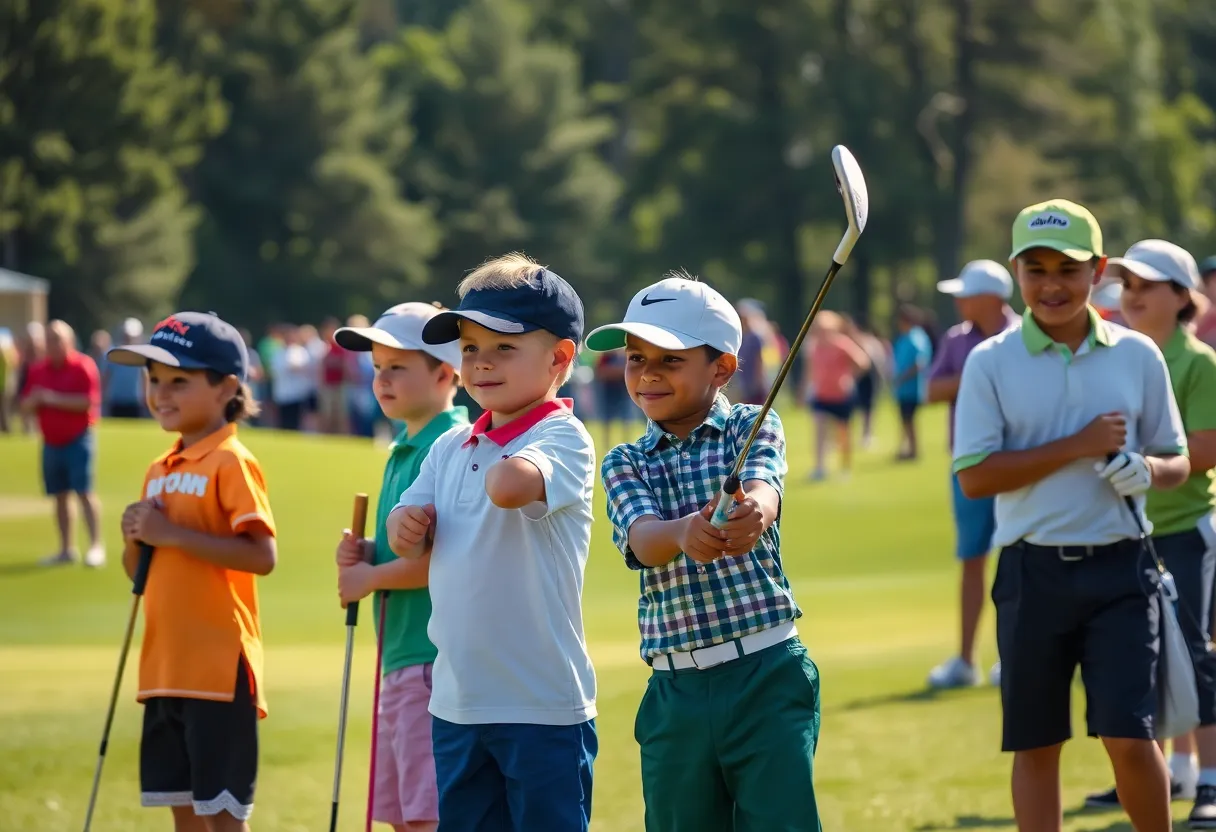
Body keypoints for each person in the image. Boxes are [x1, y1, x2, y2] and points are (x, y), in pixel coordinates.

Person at [953, 199, 1191, 832]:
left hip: (1121, 571)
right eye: (1036, 269)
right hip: (1033, 574)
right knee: (1035, 745)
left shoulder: (1138, 355)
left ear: (1100, 271)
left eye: (1069, 268)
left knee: (1131, 738)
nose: (1052, 284)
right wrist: (1077, 446)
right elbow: (974, 476)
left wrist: (1148, 469)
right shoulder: (991, 362)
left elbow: (1176, 460)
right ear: (1015, 272)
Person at [589, 273, 822, 832]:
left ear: (720, 368)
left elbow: (766, 490)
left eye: (669, 359)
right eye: (635, 358)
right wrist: (683, 534)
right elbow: (642, 540)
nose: (646, 374)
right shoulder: (625, 460)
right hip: (677, 691)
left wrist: (752, 516)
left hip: (767, 672)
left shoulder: (751, 426)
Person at [385, 254, 597, 832]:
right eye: (471, 348)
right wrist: (403, 528)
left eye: (504, 348)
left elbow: (511, 486)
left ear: (559, 357)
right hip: (457, 703)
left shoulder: (564, 435)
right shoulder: (447, 448)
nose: (481, 364)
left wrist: (503, 458)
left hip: (541, 706)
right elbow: (406, 530)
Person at [107, 311, 276, 832]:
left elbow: (261, 555)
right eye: (153, 380)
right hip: (164, 668)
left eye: (179, 380)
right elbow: (141, 571)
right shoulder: (159, 469)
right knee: (183, 814)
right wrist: (133, 537)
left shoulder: (230, 460)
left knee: (222, 816)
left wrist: (172, 535)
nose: (162, 393)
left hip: (219, 669)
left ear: (228, 386)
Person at [1077, 240, 1216, 827]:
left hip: (1184, 527)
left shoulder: (1197, 362)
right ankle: (1167, 770)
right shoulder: (1121, 355)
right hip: (1131, 531)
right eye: (1127, 284)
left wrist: (1144, 464)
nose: (1132, 295)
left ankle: (1208, 778)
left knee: (1196, 653)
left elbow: (1204, 451)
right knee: (1149, 659)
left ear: (1183, 298)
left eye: (1148, 286)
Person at [332, 303, 466, 832]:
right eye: (377, 369)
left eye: (397, 367)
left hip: (429, 656)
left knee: (425, 815)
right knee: (401, 813)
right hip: (400, 656)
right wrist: (370, 551)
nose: (381, 380)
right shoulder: (404, 447)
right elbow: (406, 547)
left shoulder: (445, 443)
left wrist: (369, 577)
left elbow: (445, 559)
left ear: (443, 373)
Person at [924, 260, 1020, 690]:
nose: (959, 300)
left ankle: (1014, 655)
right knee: (972, 559)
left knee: (1019, 561)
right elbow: (932, 389)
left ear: (992, 298)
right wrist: (980, 373)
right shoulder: (956, 340)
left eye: (966, 293)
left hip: (1021, 464)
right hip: (968, 465)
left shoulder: (1024, 338)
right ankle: (965, 660)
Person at [19, 320, 105, 568]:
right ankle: (66, 549)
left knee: (84, 492)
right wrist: (34, 401)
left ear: (68, 341)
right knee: (59, 495)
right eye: (49, 339)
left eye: (57, 339)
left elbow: (88, 402)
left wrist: (51, 399)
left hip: (79, 438)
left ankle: (95, 546)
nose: (52, 344)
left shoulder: (83, 366)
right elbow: (25, 404)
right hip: (51, 441)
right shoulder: (38, 370)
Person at [800, 310, 870, 481]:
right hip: (821, 395)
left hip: (841, 395)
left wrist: (850, 378)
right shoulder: (813, 347)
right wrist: (803, 391)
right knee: (820, 429)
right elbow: (809, 372)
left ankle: (845, 468)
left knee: (843, 432)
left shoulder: (841, 343)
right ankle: (820, 467)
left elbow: (863, 363)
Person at [891, 305, 932, 461]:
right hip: (903, 388)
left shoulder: (916, 337)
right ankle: (907, 449)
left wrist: (903, 377)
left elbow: (919, 363)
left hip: (911, 387)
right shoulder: (904, 337)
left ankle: (913, 451)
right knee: (905, 420)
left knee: (909, 419)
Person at [843, 318, 887, 449]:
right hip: (856, 378)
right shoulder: (848, 341)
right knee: (854, 408)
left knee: (868, 407)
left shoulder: (864, 340)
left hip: (867, 378)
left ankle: (867, 435)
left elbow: (870, 361)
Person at [104, 318, 148, 419]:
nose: (127, 339)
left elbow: (144, 377)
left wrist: (146, 397)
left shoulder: (140, 355)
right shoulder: (114, 354)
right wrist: (103, 396)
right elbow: (107, 376)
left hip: (134, 400)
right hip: (116, 399)